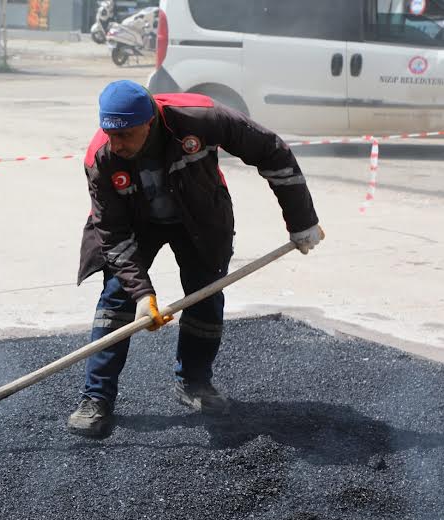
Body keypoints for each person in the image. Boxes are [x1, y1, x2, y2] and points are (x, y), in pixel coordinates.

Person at [67, 80, 324, 437]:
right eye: (111, 134)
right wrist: (143, 295)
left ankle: (194, 383)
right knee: (116, 299)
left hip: (200, 215)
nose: (117, 144)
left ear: (150, 122)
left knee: (206, 292)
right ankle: (96, 399)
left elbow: (272, 150)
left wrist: (302, 221)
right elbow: (111, 233)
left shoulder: (201, 118)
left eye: (126, 134)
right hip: (135, 223)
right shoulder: (102, 157)